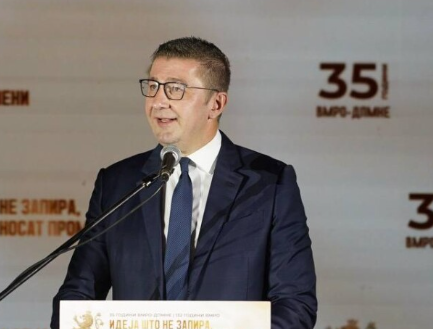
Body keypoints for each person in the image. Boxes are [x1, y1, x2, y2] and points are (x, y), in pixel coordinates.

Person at [51, 37, 317, 329]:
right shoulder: (117, 184)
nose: (158, 101)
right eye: (153, 87)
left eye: (175, 89)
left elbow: (295, 306)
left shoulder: (270, 184)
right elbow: (77, 296)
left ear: (216, 104)